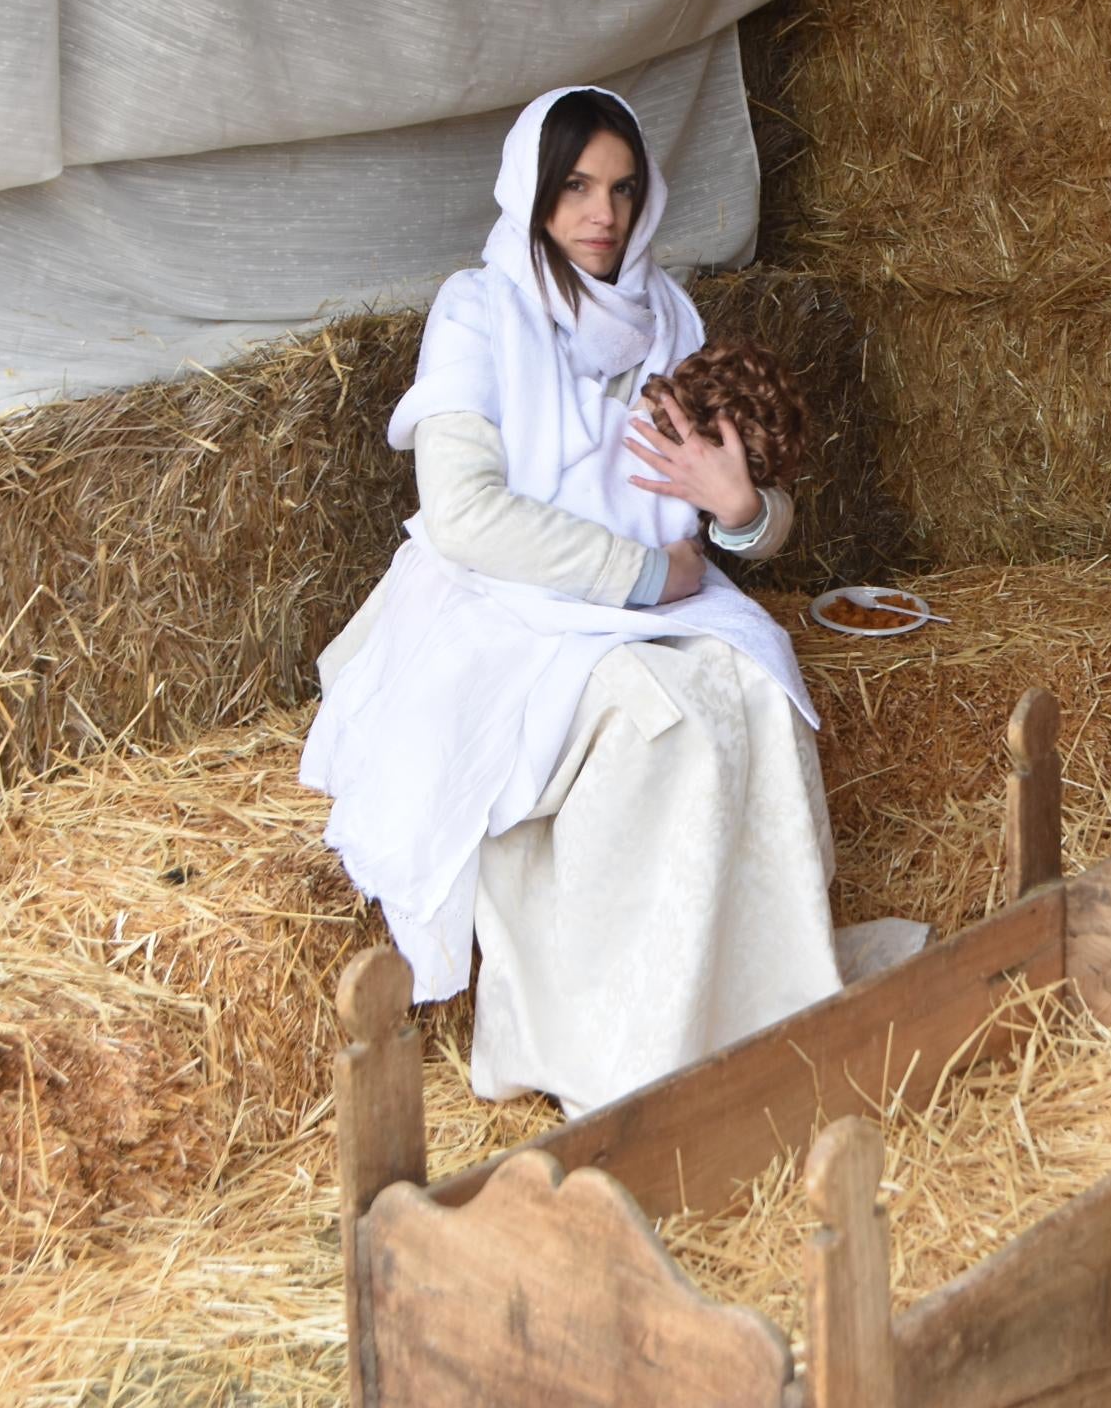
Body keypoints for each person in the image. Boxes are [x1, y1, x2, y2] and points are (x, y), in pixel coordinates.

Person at [300, 85, 846, 1117]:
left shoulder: (667, 315)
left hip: (653, 599)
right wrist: (646, 575)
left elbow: (729, 511)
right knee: (665, 726)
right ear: (534, 191)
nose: (604, 212)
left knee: (760, 693)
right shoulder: (481, 307)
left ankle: (756, 1010)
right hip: (500, 603)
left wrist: (741, 511)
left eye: (624, 189)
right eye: (579, 186)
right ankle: (625, 1040)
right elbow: (463, 512)